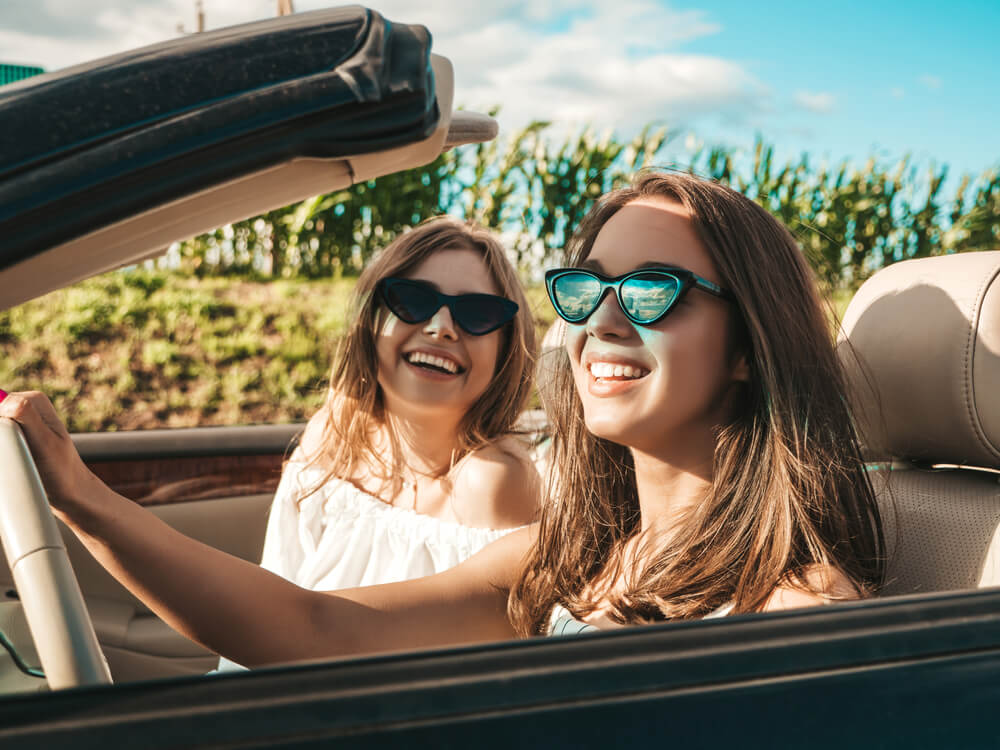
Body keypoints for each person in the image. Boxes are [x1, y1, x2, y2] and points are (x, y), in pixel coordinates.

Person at [1, 172, 884, 667]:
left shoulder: (792, 613)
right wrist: (81, 496)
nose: (603, 322)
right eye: (584, 289)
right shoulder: (570, 556)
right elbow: (313, 630)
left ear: (747, 347)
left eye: (653, 291)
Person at [256, 217, 540, 597]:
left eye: (477, 313)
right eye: (413, 300)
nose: (441, 327)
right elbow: (275, 588)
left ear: (506, 349)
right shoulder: (331, 435)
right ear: (371, 320)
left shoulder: (493, 483)